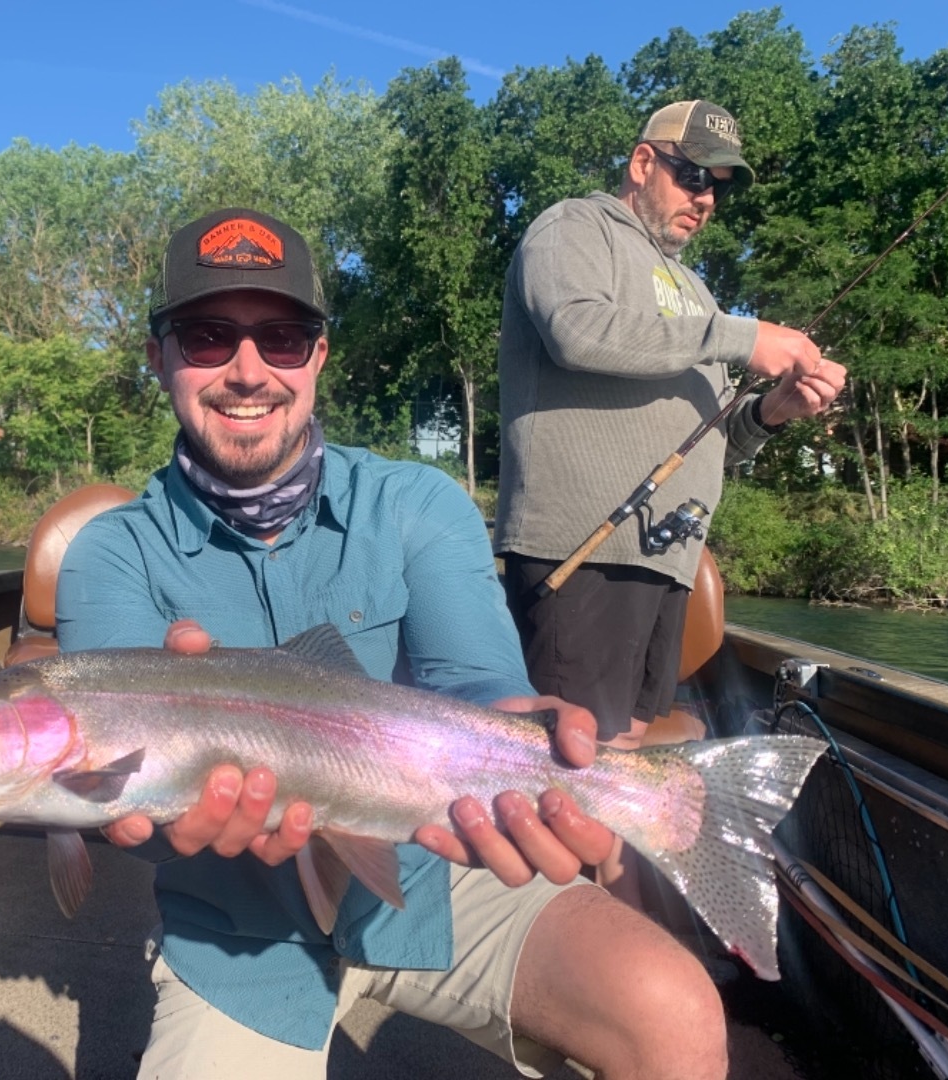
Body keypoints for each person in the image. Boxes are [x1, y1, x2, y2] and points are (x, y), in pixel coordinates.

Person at [54, 207, 728, 1079]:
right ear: (160, 359)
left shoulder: (417, 503)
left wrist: (525, 724)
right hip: (234, 934)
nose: (247, 371)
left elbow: (481, 681)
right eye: (208, 336)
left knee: (673, 1014)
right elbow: (130, 811)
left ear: (319, 356)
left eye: (284, 339)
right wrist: (143, 820)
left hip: (442, 866)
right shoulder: (111, 551)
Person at [493, 101, 846, 897]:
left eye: (720, 186)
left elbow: (714, 437)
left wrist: (768, 415)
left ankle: (616, 929)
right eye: (693, 175)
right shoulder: (572, 229)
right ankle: (554, 948)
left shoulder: (691, 289)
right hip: (583, 547)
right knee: (571, 768)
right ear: (642, 163)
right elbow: (577, 332)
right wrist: (743, 336)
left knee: (624, 754)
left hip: (662, 560)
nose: (707, 197)